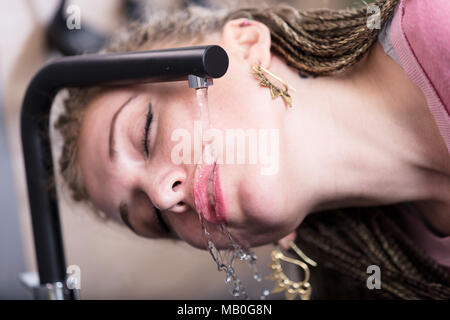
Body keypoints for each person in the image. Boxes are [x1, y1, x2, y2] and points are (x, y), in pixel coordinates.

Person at [55, 0, 450, 299]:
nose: (162, 194)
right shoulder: (395, 275)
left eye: (145, 133)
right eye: (156, 220)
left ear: (246, 45)